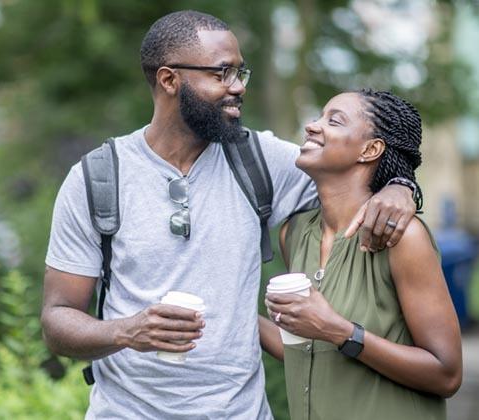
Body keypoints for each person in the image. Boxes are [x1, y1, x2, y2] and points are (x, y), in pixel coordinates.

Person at [41, 11, 417, 419]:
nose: (237, 87)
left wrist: (402, 187)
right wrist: (127, 331)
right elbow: (58, 321)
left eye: (241, 73)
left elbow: (357, 177)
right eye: (222, 74)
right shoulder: (97, 178)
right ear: (169, 80)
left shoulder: (260, 160)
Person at [262, 89, 463, 420]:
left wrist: (339, 331)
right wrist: (234, 319)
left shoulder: (402, 237)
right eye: (318, 117)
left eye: (334, 120)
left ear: (370, 149)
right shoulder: (295, 233)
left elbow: (446, 374)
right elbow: (306, 350)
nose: (312, 126)